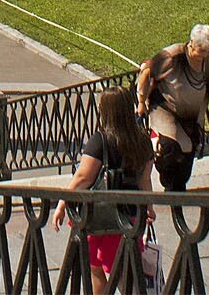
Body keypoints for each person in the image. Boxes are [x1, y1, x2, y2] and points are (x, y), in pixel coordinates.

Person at [54, 88, 153, 292]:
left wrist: (62, 203)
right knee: (127, 270)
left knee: (95, 268)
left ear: (106, 110)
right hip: (131, 215)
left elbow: (83, 177)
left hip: (99, 216)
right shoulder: (143, 140)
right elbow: (145, 180)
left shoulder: (100, 140)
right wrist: (148, 208)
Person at [135, 24, 209, 193]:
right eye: (200, 51)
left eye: (207, 52)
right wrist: (142, 102)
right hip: (165, 109)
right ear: (191, 44)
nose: (203, 56)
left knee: (187, 153)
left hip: (192, 117)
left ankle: (178, 188)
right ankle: (169, 182)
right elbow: (146, 74)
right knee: (170, 149)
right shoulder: (172, 56)